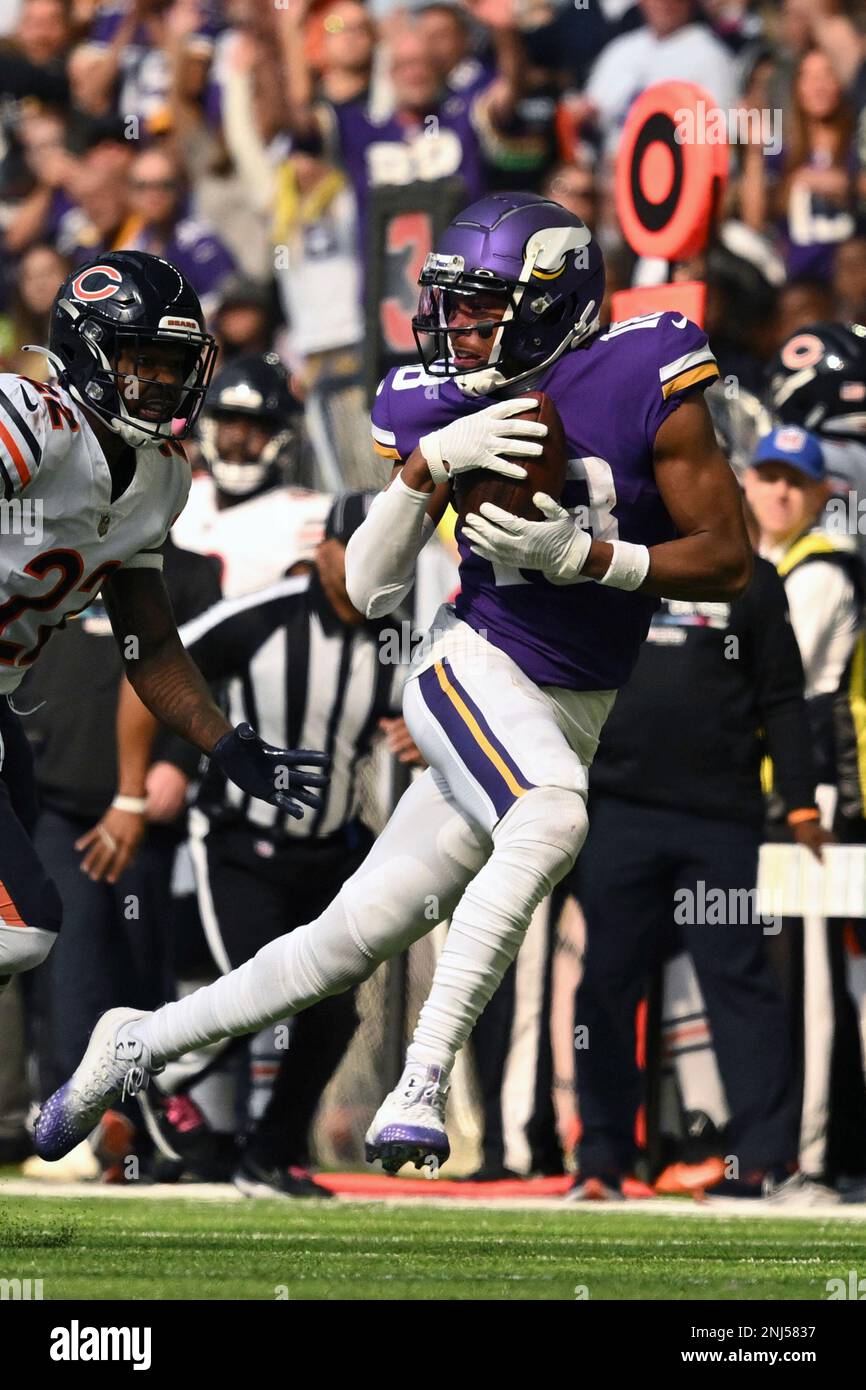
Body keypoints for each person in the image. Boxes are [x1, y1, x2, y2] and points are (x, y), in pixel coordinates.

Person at [34, 191, 753, 1173]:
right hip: (469, 664)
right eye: (449, 303)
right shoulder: (428, 398)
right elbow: (367, 590)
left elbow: (727, 560)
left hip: (571, 704)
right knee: (551, 816)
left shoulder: (643, 367)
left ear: (554, 297)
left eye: (479, 304)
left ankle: (134, 1045)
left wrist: (588, 558)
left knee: (341, 943)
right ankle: (418, 1086)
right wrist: (423, 474)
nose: (454, 325)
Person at [0, 249, 327, 1006]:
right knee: (24, 927)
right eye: (139, 361)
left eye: (173, 364)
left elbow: (148, 644)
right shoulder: (30, 421)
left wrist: (220, 739)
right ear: (87, 353)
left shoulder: (162, 475)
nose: (159, 382)